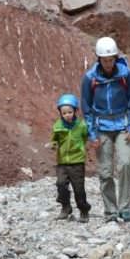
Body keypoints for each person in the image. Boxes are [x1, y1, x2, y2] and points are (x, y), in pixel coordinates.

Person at [81, 36, 130, 223]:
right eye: (104, 60)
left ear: (115, 58)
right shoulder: (90, 78)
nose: (108, 64)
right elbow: (86, 107)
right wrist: (92, 133)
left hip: (123, 125)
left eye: (111, 59)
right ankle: (110, 211)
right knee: (105, 172)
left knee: (125, 164)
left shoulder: (125, 75)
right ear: (99, 59)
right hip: (101, 128)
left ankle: (124, 208)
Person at [50, 93, 91, 223]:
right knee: (61, 184)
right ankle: (65, 207)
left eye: (70, 112)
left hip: (77, 162)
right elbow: (55, 140)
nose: (67, 115)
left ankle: (84, 210)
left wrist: (80, 148)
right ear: (60, 114)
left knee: (78, 188)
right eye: (64, 113)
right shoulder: (57, 126)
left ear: (75, 111)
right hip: (62, 162)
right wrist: (53, 145)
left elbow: (86, 137)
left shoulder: (82, 126)